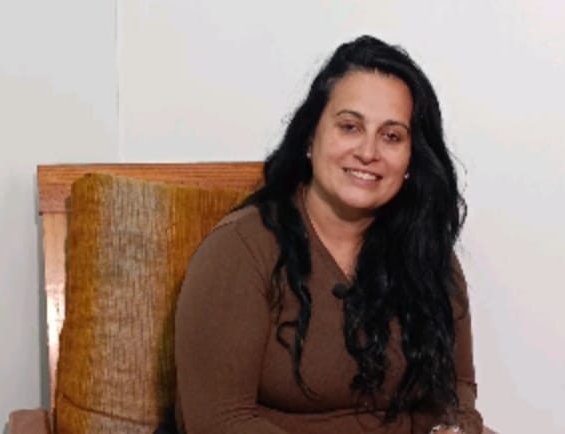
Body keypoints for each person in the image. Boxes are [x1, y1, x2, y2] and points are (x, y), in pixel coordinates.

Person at [173, 35, 483, 434]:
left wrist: (454, 429)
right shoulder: (241, 248)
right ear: (310, 137)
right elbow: (219, 421)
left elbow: (457, 390)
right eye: (350, 127)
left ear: (411, 160)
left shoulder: (426, 251)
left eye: (391, 136)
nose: (368, 152)